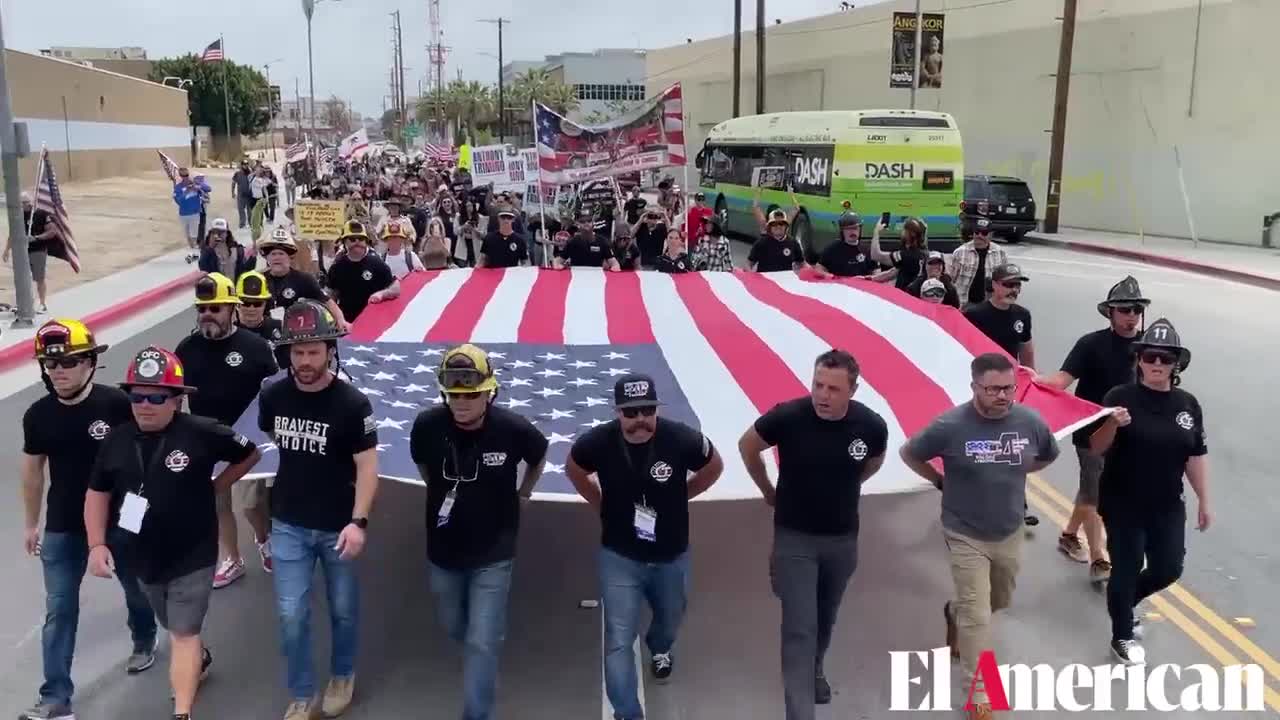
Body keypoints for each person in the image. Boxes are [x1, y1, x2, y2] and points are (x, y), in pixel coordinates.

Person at [86, 346, 261, 720]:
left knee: (182, 633)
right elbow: (97, 492)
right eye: (137, 396)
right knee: (172, 622)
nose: (145, 404)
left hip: (193, 552)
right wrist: (96, 543)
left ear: (178, 400)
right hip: (141, 556)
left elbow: (250, 453)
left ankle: (182, 711)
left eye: (156, 397)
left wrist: (219, 485)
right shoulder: (116, 441)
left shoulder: (203, 432)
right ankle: (199, 655)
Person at [899, 352, 1059, 720]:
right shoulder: (950, 425)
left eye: (1008, 389)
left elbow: (1047, 454)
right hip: (963, 531)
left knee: (998, 601)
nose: (1002, 396)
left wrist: (1015, 471)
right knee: (979, 616)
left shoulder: (1029, 422)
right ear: (974, 387)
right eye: (993, 389)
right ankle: (979, 694)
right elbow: (910, 452)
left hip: (1009, 528)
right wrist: (940, 480)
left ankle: (953, 613)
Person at [19, 320, 159, 720]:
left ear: (91, 363)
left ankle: (144, 637)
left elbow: (144, 457)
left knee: (136, 589)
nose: (59, 370)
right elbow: (32, 472)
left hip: (119, 520)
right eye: (50, 364)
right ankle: (55, 697)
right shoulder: (37, 415)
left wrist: (144, 511)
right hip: (64, 524)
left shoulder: (117, 405)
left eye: (69, 361)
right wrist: (31, 524)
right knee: (60, 609)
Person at [737, 350, 888, 719]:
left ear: (853, 389)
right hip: (794, 538)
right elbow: (748, 446)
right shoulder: (788, 417)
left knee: (825, 615)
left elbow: (873, 461)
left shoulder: (871, 426)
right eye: (818, 384)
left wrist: (844, 486)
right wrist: (767, 490)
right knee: (799, 627)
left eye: (834, 389)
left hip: (841, 540)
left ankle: (816, 666)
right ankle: (800, 712)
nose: (823, 394)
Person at [567, 374, 723, 720]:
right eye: (631, 412)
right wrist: (600, 503)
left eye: (647, 410)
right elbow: (574, 468)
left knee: (670, 618)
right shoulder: (597, 443)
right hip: (619, 556)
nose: (639, 419)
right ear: (618, 412)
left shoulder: (681, 439)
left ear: (655, 409)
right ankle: (627, 712)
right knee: (620, 640)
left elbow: (715, 465)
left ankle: (660, 648)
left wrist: (684, 494)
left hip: (671, 555)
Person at [409, 345, 549, 720]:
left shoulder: (514, 428)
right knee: (456, 625)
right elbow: (422, 465)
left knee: (482, 641)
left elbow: (540, 453)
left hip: (495, 549)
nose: (461, 402)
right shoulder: (426, 425)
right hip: (443, 549)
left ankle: (478, 709)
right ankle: (478, 660)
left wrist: (524, 492)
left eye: (470, 394)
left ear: (489, 392)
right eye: (454, 394)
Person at [257, 299, 380, 720]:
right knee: (292, 614)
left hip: (338, 525)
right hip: (288, 521)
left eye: (313, 351)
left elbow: (367, 466)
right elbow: (272, 436)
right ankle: (302, 693)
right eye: (297, 351)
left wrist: (359, 521)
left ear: (330, 350)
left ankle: (342, 675)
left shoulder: (352, 403)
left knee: (343, 609)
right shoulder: (273, 396)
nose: (305, 360)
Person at [1090, 318, 1209, 666]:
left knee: (1169, 568)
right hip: (1123, 501)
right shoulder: (1119, 397)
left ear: (1177, 364)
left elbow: (1195, 454)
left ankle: (1124, 603)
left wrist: (1204, 499)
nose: (1157, 364)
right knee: (1127, 567)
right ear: (1139, 359)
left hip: (1167, 503)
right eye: (1150, 357)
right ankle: (1121, 636)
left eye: (1166, 358)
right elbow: (1096, 447)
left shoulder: (1187, 404)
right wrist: (1112, 422)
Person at [1038, 276, 1151, 584]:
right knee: (1095, 494)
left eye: (1136, 310)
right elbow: (1062, 381)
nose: (1131, 316)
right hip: (1092, 434)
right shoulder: (1091, 344)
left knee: (1093, 489)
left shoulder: (1148, 349)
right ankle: (1100, 559)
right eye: (1125, 310)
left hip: (1127, 434)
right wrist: (1029, 378)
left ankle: (1069, 534)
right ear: (1110, 313)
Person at [175, 272, 279, 587]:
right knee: (216, 504)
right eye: (203, 308)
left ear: (231, 310)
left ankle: (264, 540)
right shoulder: (186, 349)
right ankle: (232, 559)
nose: (208, 314)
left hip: (248, 443)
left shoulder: (256, 346)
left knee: (250, 504)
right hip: (205, 440)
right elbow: (177, 395)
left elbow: (274, 388)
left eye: (216, 308)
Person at [259, 228, 349, 331]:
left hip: (296, 334)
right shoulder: (256, 279)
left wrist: (340, 320)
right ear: (267, 258)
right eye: (273, 254)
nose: (276, 258)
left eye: (281, 254)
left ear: (290, 256)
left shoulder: (304, 279)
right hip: (265, 333)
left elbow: (327, 301)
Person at [963, 263, 1035, 368]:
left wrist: (1031, 377)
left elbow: (1026, 353)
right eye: (1009, 285)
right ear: (994, 285)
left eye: (1017, 285)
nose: (1014, 290)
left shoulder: (1023, 315)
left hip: (1009, 377)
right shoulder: (973, 314)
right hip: (982, 376)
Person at [327, 220, 399, 323]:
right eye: (352, 239)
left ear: (366, 241)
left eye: (361, 239)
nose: (357, 242)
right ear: (344, 242)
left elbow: (396, 287)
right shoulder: (337, 267)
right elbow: (331, 296)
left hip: (375, 321)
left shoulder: (376, 263)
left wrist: (382, 294)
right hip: (347, 323)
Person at [4, 192, 55, 312]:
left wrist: (37, 237)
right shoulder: (18, 216)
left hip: (38, 250)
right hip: (22, 251)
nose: (21, 207)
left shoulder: (41, 214)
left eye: (23, 204)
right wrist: (7, 250)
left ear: (28, 203)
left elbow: (52, 231)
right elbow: (13, 234)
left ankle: (42, 304)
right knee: (21, 278)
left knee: (39, 277)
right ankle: (22, 303)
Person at [236, 270, 290, 370]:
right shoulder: (229, 333)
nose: (251, 308)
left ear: (265, 304)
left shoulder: (281, 328)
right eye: (246, 303)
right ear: (237, 304)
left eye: (257, 304)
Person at [949, 218, 1007, 307]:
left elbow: (1004, 279)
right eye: (977, 232)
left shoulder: (1000, 252)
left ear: (991, 235)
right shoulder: (960, 252)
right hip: (964, 304)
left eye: (984, 233)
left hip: (988, 304)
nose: (980, 235)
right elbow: (951, 280)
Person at [814, 211, 878, 279]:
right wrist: (828, 276)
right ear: (842, 231)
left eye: (855, 228)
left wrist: (871, 278)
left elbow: (876, 270)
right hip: (840, 286)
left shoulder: (867, 248)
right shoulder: (832, 249)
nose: (852, 232)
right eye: (848, 229)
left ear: (860, 229)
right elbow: (818, 268)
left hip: (862, 286)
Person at [868, 216, 926, 290]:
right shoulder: (924, 253)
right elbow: (893, 272)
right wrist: (872, 278)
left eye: (904, 230)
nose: (902, 233)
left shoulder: (905, 255)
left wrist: (876, 232)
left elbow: (875, 255)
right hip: (914, 296)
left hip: (905, 295)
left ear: (911, 234)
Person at [197, 218, 255, 284]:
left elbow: (247, 269)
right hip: (218, 290)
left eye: (221, 232)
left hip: (235, 289)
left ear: (227, 233)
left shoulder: (237, 250)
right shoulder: (208, 252)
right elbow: (203, 268)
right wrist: (209, 247)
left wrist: (252, 257)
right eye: (215, 232)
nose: (218, 235)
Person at [174, 167, 211, 264]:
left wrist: (198, 187)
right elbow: (178, 201)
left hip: (195, 213)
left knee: (194, 235)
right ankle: (193, 253)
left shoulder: (195, 184)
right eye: (183, 176)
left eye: (186, 175)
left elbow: (208, 189)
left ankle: (194, 255)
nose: (185, 177)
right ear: (180, 176)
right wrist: (186, 192)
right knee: (188, 236)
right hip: (183, 214)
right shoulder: (178, 187)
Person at [554, 219, 619, 270]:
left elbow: (614, 263)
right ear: (578, 225)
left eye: (589, 221)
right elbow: (558, 261)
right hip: (576, 277)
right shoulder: (572, 242)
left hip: (597, 278)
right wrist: (557, 265)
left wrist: (615, 267)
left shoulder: (602, 241)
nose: (586, 223)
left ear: (593, 224)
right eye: (583, 222)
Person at [232, 162, 254, 229]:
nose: (245, 166)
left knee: (250, 210)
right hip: (241, 195)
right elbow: (233, 183)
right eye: (244, 165)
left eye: (246, 164)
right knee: (241, 209)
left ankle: (251, 223)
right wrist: (232, 192)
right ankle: (242, 223)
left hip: (249, 195)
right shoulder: (237, 174)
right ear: (241, 165)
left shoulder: (251, 173)